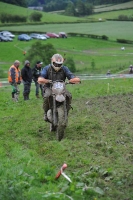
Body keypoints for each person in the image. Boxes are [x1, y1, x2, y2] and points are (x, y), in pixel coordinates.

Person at [38, 53, 80, 121]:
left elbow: (71, 75)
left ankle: (66, 112)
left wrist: (73, 79)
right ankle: (45, 113)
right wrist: (46, 80)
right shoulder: (47, 68)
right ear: (52, 62)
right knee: (47, 96)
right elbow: (41, 77)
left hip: (61, 88)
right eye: (56, 64)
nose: (57, 65)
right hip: (49, 87)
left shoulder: (64, 69)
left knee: (69, 95)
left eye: (59, 64)